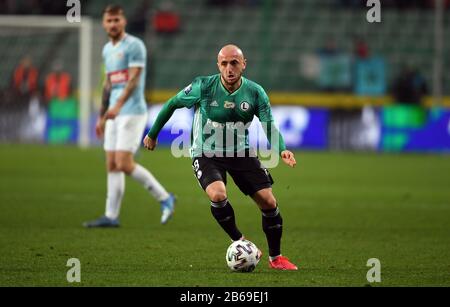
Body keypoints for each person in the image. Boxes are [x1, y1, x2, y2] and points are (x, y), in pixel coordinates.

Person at [143, 44, 298, 270]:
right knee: (217, 194)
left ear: (243, 64)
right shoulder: (203, 86)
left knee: (268, 201)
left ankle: (276, 258)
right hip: (206, 152)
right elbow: (172, 103)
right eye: (224, 63)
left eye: (234, 62)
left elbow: (269, 125)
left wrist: (282, 149)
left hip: (240, 151)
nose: (229, 68)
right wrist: (153, 134)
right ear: (218, 65)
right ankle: (239, 240)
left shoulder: (255, 92)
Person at [83, 4, 175, 228]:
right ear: (104, 24)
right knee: (112, 164)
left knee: (124, 163)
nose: (113, 24)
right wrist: (102, 115)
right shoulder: (107, 50)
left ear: (123, 22)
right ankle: (111, 216)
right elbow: (108, 83)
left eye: (117, 20)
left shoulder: (135, 46)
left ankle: (165, 198)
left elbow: (133, 81)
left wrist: (117, 107)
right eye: (109, 21)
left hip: (132, 112)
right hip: (113, 114)